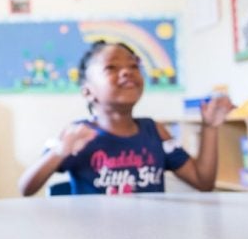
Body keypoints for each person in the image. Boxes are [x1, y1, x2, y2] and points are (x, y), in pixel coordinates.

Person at [18, 41, 234, 196]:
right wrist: (60, 152)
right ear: (88, 91)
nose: (127, 72)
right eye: (111, 68)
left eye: (133, 66)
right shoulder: (77, 136)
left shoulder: (155, 131)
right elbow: (26, 188)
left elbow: (203, 182)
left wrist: (210, 128)